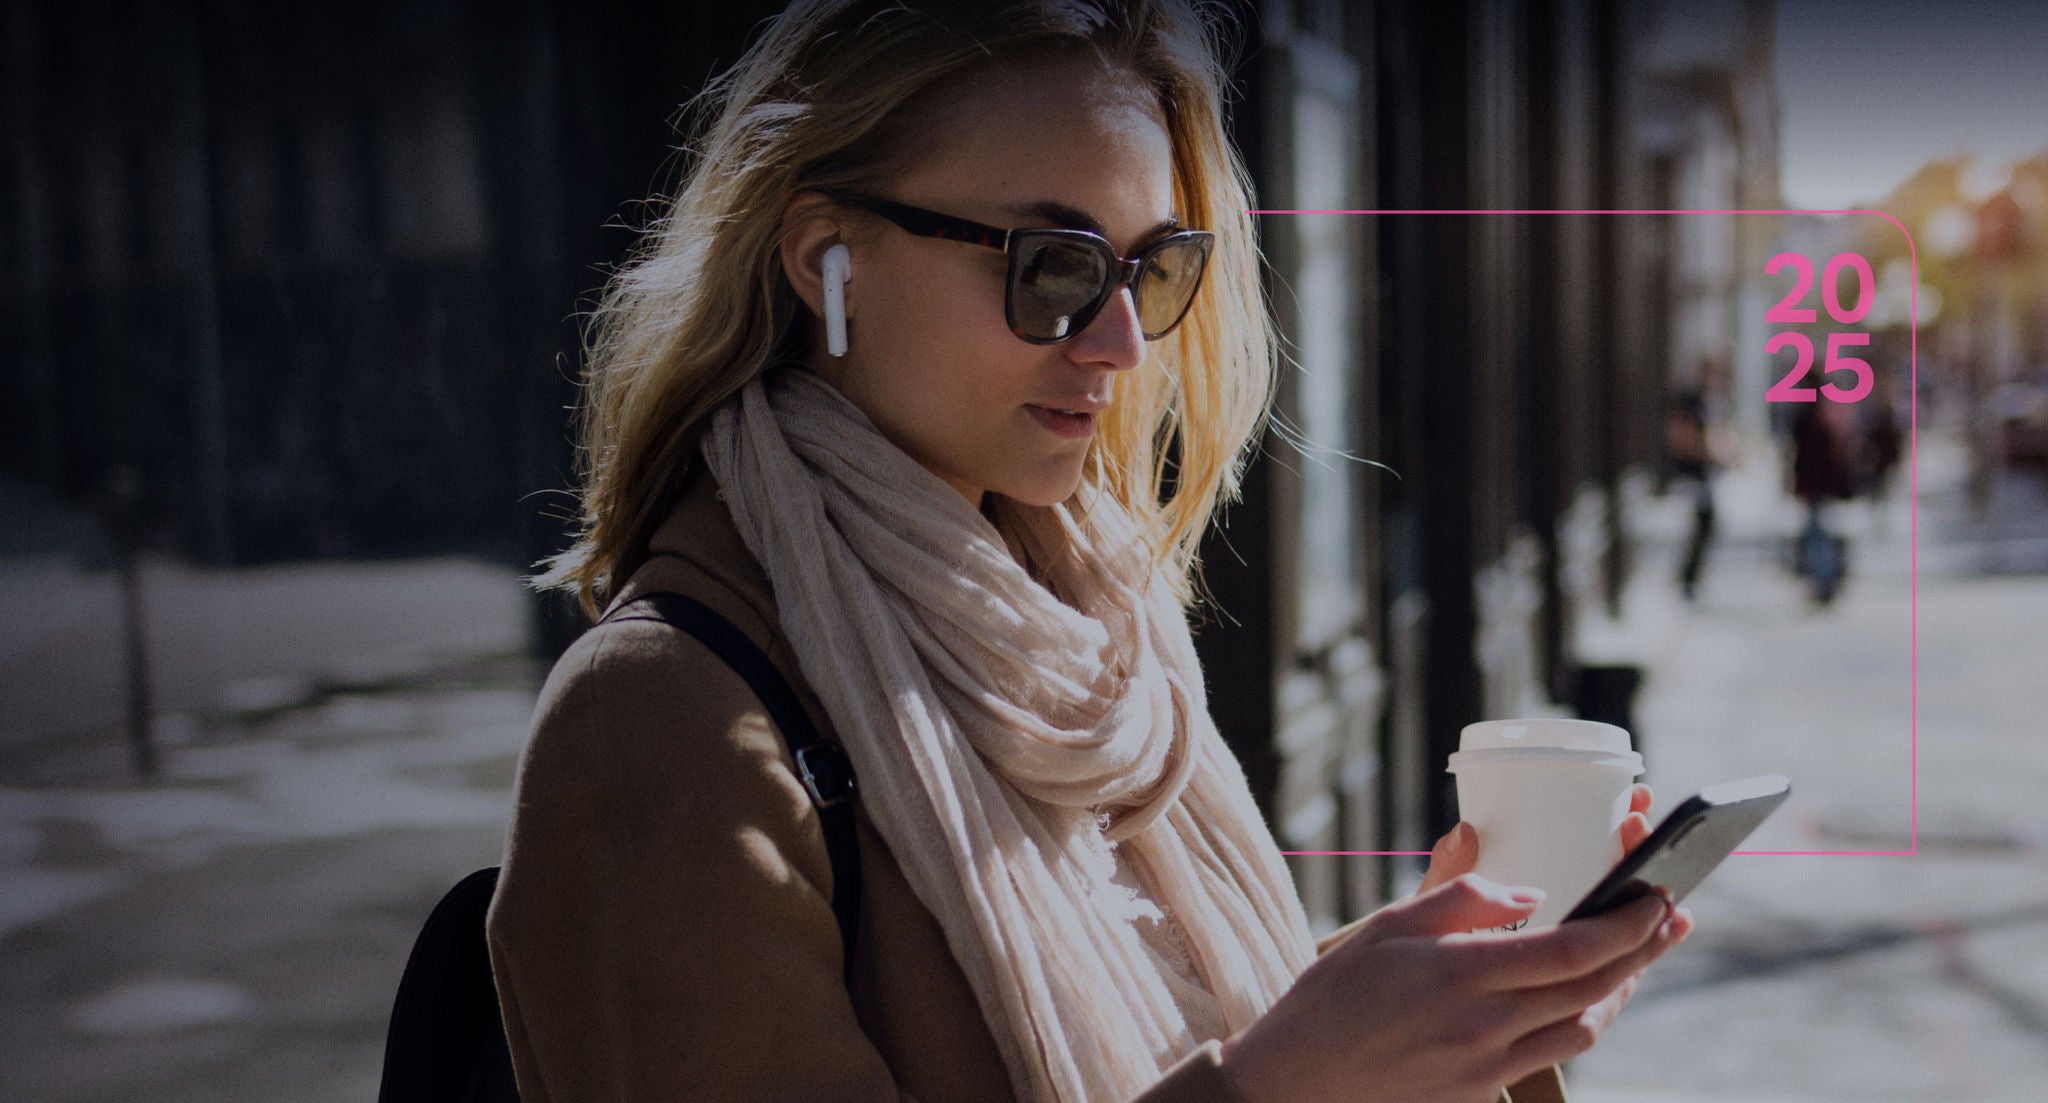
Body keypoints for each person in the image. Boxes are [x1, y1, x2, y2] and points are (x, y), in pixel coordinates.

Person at [487, 3, 1690, 1102]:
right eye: (1051, 267)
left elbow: (1158, 1031)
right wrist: (1282, 1082)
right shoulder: (666, 720)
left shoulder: (1084, 634)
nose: (1119, 341)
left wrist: (1457, 1015)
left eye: (1150, 270)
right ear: (824, 257)